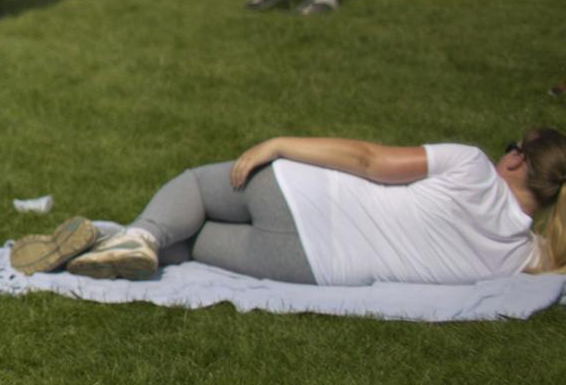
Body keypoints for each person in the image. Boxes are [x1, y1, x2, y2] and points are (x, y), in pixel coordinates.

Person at [41, 129, 564, 286]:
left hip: (301, 198)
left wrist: (280, 144)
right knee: (195, 244)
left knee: (195, 191)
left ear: (518, 159)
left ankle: (139, 235)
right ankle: (121, 249)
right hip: (309, 268)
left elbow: (368, 159)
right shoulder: (519, 260)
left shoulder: (471, 166)